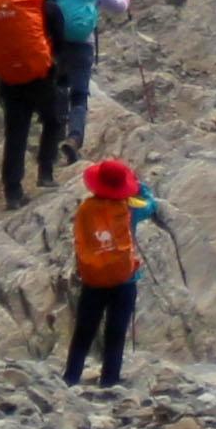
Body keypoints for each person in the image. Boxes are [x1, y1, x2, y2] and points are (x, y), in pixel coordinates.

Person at [62, 155, 159, 386]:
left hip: (93, 278)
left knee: (84, 330)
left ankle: (71, 377)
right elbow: (151, 205)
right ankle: (109, 381)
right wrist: (139, 186)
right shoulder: (129, 208)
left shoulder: (86, 208)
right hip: (124, 280)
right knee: (115, 332)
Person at [44, 0, 134, 148]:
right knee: (79, 94)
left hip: (57, 43)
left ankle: (55, 135)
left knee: (59, 87)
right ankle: (74, 138)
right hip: (83, 45)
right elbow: (119, 7)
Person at [0, 0, 61, 204]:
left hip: (8, 79)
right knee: (54, 119)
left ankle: (13, 192)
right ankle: (46, 172)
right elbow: (60, 40)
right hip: (39, 77)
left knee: (16, 133)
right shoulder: (47, 6)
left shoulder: (5, 5)